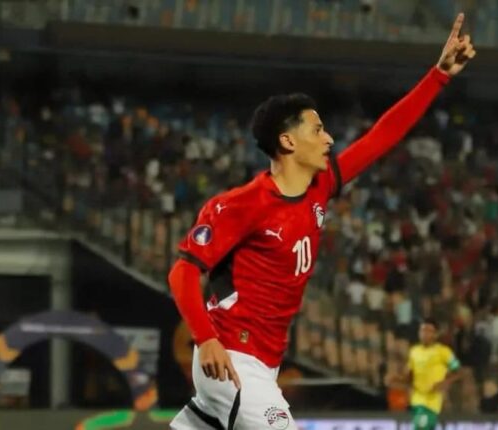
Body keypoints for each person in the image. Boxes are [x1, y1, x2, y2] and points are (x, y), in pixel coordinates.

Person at [168, 14, 476, 430]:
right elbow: (183, 271)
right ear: (288, 141)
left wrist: (438, 75)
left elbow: (381, 137)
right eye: (317, 130)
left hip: (264, 365)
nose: (329, 138)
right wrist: (205, 339)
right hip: (232, 360)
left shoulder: (320, 187)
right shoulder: (242, 204)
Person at [387, 319, 462, 430]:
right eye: (422, 330)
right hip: (417, 400)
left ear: (435, 334)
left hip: (431, 400)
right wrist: (396, 379)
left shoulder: (444, 352)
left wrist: (445, 382)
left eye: (428, 331)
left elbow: (458, 371)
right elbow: (409, 377)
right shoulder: (414, 351)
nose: (424, 334)